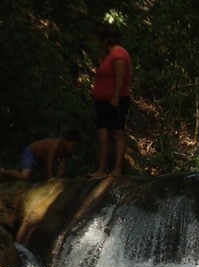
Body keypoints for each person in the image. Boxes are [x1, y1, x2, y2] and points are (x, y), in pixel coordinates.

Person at [90, 23, 132, 177]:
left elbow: (120, 76)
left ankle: (117, 170)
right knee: (103, 135)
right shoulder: (108, 56)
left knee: (118, 133)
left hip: (116, 100)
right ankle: (101, 169)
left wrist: (115, 96)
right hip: (102, 102)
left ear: (106, 40)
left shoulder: (119, 53)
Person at [0, 131, 82, 180]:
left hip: (41, 160)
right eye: (72, 145)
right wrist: (52, 179)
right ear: (65, 141)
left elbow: (62, 168)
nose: (74, 148)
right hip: (31, 153)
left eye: (76, 146)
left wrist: (57, 180)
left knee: (46, 179)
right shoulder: (54, 145)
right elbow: (49, 163)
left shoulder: (66, 152)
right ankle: (3, 171)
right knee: (24, 176)